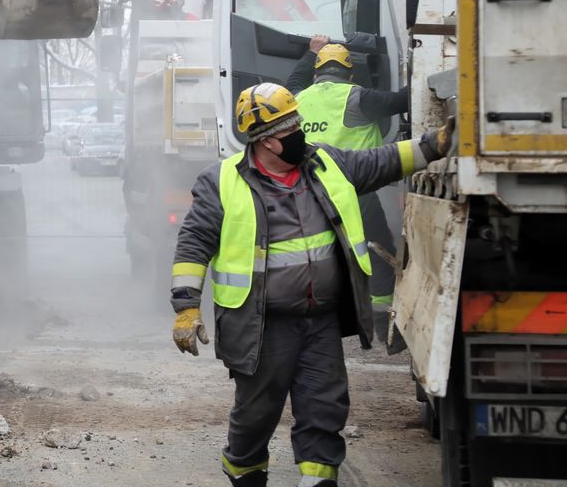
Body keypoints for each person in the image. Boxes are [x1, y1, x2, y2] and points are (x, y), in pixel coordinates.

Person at [170, 83, 452, 487]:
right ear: (265, 142)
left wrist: (434, 144)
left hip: (319, 322)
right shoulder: (222, 182)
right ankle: (245, 472)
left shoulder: (325, 163)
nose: (300, 135)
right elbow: (194, 243)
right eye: (290, 132)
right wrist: (186, 305)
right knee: (255, 416)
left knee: (324, 411)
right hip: (261, 325)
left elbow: (382, 160)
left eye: (298, 125)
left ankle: (318, 479)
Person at [290, 38, 410, 342]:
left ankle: (314, 314)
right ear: (350, 73)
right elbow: (402, 100)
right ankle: (381, 319)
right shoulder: (357, 98)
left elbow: (292, 81)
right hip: (355, 193)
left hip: (308, 192)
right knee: (378, 250)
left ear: (317, 72)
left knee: (313, 253)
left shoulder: (296, 99)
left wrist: (310, 53)